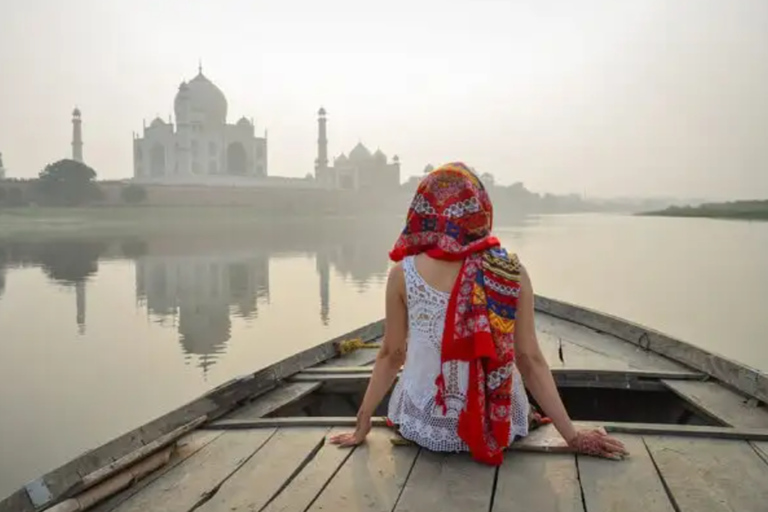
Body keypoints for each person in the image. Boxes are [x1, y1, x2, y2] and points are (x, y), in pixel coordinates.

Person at [330, 162, 628, 463]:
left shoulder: (402, 275)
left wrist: (363, 419)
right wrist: (573, 436)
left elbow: (392, 355)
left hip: (425, 425)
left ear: (424, 211)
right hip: (502, 426)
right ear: (480, 211)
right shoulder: (510, 272)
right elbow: (529, 359)